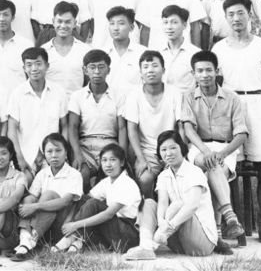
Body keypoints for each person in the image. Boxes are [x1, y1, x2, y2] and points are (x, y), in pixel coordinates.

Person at [212, 0, 261, 241]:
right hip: (229, 107)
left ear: (250, 15)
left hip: (257, 104)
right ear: (226, 18)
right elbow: (215, 85)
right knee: (228, 165)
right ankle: (231, 221)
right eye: (231, 14)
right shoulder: (218, 48)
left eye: (241, 13)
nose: (236, 18)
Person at [181, 50, 247, 255]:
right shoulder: (188, 96)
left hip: (225, 150)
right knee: (211, 164)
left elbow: (242, 134)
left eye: (209, 70)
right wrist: (206, 150)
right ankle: (229, 216)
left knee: (214, 170)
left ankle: (217, 234)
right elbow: (188, 129)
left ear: (216, 71)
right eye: (199, 71)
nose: (204, 75)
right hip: (199, 148)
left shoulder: (231, 97)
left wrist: (224, 153)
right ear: (193, 73)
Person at [125, 131, 217, 259]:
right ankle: (146, 247)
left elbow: (192, 206)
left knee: (178, 204)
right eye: (163, 150)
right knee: (148, 203)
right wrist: (161, 222)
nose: (168, 153)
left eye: (173, 148)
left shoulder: (194, 172)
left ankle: (154, 243)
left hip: (201, 244)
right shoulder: (164, 175)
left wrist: (169, 227)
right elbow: (163, 202)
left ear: (182, 148)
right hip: (178, 243)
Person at [54, 143, 141, 254]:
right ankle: (77, 242)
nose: (108, 164)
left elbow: (108, 214)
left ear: (122, 162)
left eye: (112, 160)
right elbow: (85, 199)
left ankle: (70, 239)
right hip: (116, 231)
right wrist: (69, 220)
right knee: (84, 200)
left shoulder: (126, 183)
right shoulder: (107, 181)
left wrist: (75, 225)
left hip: (129, 236)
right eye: (104, 160)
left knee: (94, 204)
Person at [9, 133, 83, 262]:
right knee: (28, 200)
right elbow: (31, 198)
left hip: (62, 226)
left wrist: (36, 206)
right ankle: (25, 240)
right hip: (43, 226)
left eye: (58, 150)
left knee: (49, 195)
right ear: (45, 154)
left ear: (66, 152)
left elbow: (65, 202)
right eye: (49, 151)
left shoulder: (74, 174)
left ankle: (29, 242)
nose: (54, 155)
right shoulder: (42, 174)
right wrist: (30, 205)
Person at [68, 50, 127, 193]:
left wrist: (122, 155)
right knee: (81, 176)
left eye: (101, 67)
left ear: (108, 70)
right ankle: (83, 204)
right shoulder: (77, 96)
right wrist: (77, 154)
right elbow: (72, 127)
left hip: (109, 144)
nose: (96, 72)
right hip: (85, 146)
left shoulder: (118, 95)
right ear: (85, 70)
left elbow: (122, 129)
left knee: (111, 180)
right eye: (92, 67)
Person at [125, 50, 181, 198]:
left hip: (171, 148)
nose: (150, 70)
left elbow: (181, 126)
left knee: (176, 180)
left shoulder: (174, 92)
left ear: (163, 70)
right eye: (145, 67)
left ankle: (171, 208)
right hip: (147, 151)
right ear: (140, 73)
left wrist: (181, 152)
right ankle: (150, 205)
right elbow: (132, 131)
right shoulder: (134, 96)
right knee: (144, 179)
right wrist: (141, 159)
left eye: (155, 66)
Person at [7, 47, 68, 181]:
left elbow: (65, 126)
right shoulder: (17, 94)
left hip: (52, 155)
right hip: (26, 153)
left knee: (52, 187)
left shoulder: (59, 92)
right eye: (29, 65)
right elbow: (11, 129)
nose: (34, 69)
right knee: (23, 183)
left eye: (38, 64)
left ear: (47, 66)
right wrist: (19, 157)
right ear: (24, 68)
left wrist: (62, 153)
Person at [0, 0, 33, 107]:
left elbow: (31, 77)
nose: (2, 19)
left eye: (6, 15)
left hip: (20, 103)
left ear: (13, 17)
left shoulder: (26, 45)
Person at [41, 1, 91, 98]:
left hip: (76, 105)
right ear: (53, 22)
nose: (63, 26)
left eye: (68, 22)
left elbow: (89, 83)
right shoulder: (43, 51)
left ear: (74, 23)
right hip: (50, 104)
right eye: (59, 21)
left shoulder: (85, 50)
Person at [105, 7, 146, 98]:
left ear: (131, 27)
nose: (115, 28)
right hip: (108, 104)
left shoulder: (143, 53)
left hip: (134, 104)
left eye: (121, 23)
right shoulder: (102, 53)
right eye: (112, 23)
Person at [160, 5, 200, 94]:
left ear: (184, 25)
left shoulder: (195, 53)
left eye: (174, 22)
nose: (169, 27)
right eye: (165, 22)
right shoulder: (157, 52)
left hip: (186, 100)